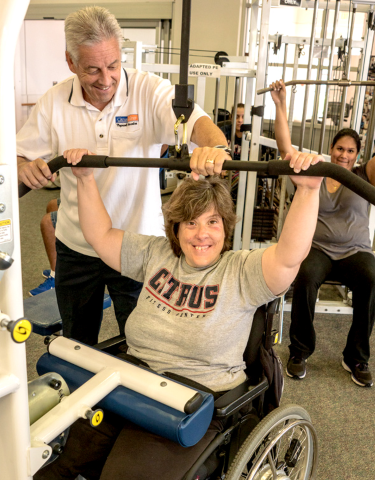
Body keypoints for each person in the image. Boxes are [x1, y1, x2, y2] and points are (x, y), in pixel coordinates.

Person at [34, 145, 322, 480]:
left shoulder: (242, 271)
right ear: (176, 229)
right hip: (128, 383)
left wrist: (308, 189)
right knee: (50, 461)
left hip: (191, 403)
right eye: (190, 222)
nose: (202, 234)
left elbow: (289, 256)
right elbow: (99, 236)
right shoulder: (157, 253)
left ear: (225, 228)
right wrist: (84, 179)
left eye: (212, 222)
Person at [16, 6, 232, 345]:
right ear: (71, 63)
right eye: (92, 69)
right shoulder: (53, 103)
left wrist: (216, 148)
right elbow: (18, 156)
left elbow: (199, 123)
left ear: (121, 55)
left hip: (138, 246)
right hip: (77, 245)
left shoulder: (149, 90)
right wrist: (23, 167)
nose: (106, 79)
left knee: (142, 344)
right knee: (77, 343)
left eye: (113, 65)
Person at [270, 79, 375, 388]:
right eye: (340, 148)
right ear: (331, 150)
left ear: (358, 155)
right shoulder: (316, 171)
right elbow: (285, 148)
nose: (344, 155)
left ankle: (356, 357)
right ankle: (300, 352)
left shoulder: (364, 175)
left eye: (351, 150)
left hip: (356, 251)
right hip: (317, 249)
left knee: (372, 277)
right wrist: (280, 105)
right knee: (303, 276)